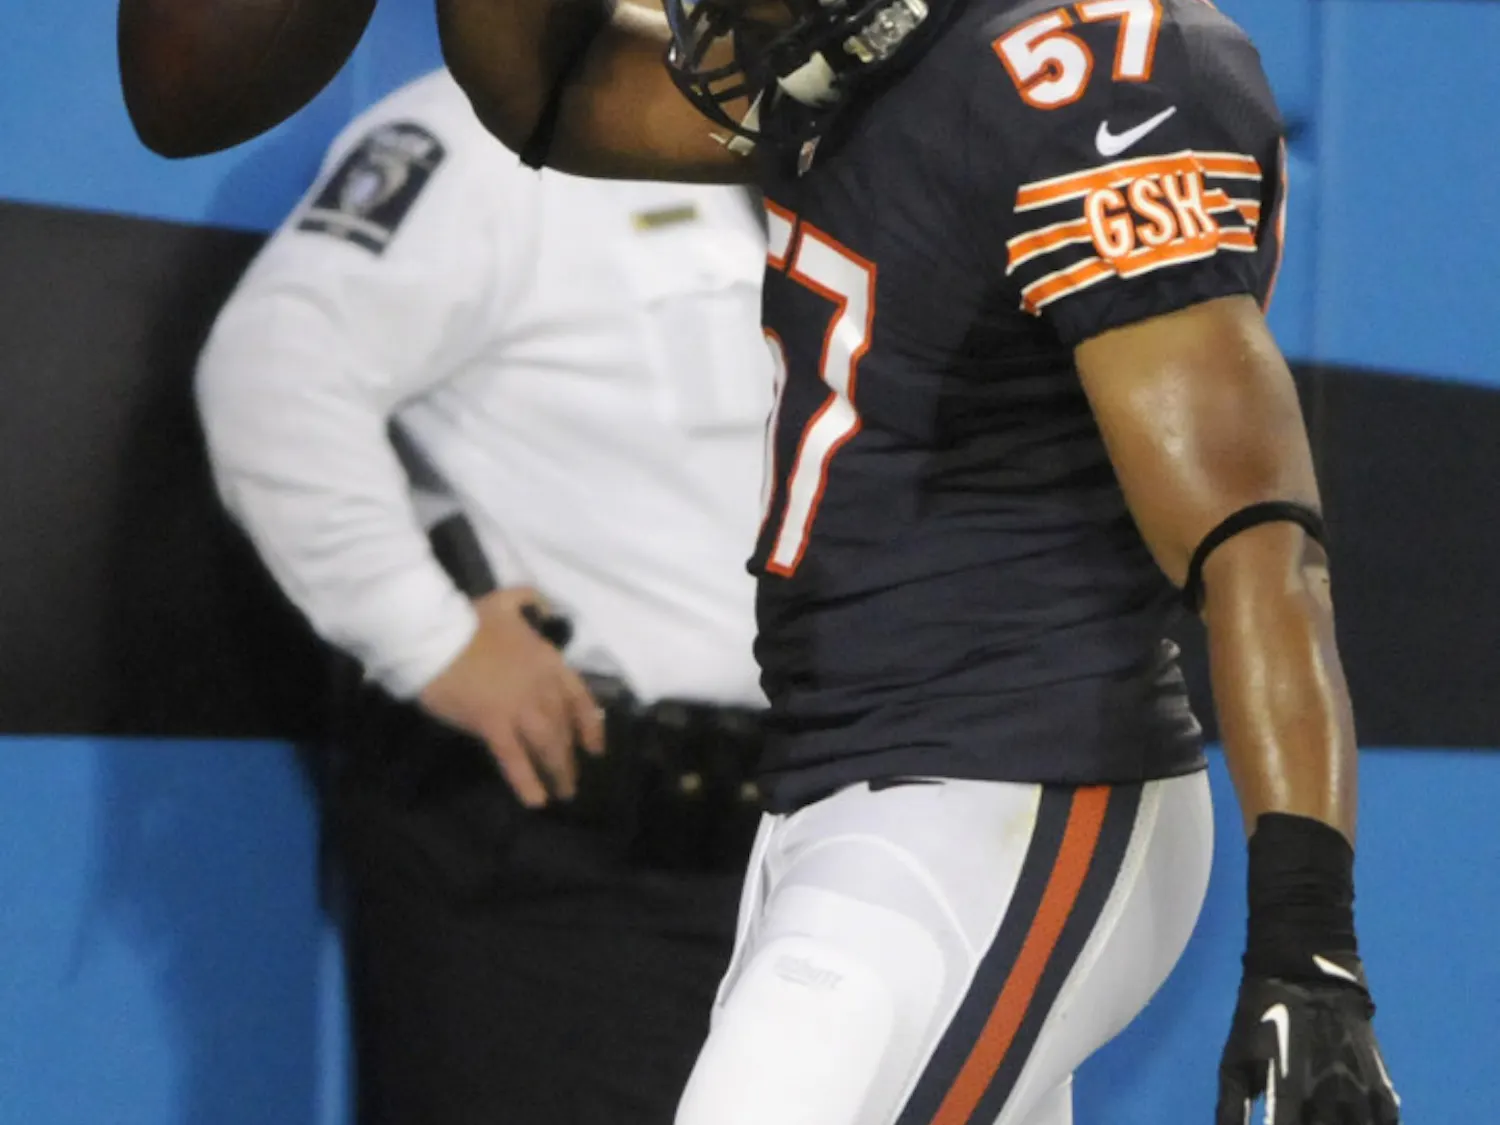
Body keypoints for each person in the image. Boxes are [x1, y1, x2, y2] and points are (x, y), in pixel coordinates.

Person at [419, 1, 1402, 1124]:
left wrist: (1309, 946)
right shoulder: (863, 52)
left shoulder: (1091, 76)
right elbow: (540, 94)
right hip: (854, 793)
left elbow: (1255, 541)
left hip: (1016, 784)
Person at [195, 67, 774, 1125]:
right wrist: (427, 637)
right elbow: (276, 373)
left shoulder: (832, 160)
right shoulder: (496, 132)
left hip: (796, 866)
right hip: (562, 849)